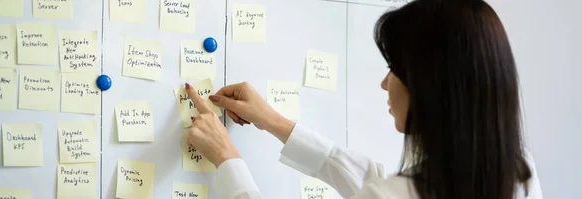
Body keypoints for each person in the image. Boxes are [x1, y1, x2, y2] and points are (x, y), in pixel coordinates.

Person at [183, 0, 543, 198]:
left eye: (394, 68)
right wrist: (275, 122)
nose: (385, 84)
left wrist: (228, 159)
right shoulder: (517, 173)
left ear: (430, 86)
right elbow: (381, 183)